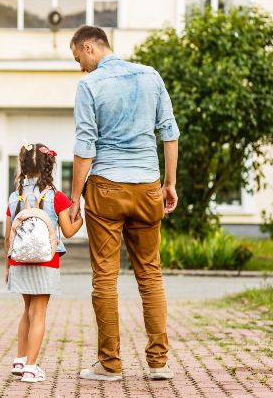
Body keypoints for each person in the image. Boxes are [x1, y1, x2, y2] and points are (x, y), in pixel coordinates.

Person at [69, 25, 179, 381]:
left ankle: (110, 365)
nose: (81, 67)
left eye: (78, 58)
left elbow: (85, 146)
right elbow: (170, 131)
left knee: (105, 276)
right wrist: (169, 184)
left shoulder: (90, 86)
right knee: (150, 273)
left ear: (89, 46)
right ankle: (159, 362)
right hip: (148, 185)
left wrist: (74, 197)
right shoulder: (151, 77)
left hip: (107, 189)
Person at [4, 142, 84, 383]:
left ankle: (20, 360)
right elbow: (69, 231)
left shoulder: (14, 196)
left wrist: (7, 266)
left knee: (27, 311)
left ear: (23, 165)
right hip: (45, 262)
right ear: (49, 165)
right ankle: (31, 368)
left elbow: (8, 235)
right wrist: (81, 216)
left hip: (18, 260)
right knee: (39, 314)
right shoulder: (54, 196)